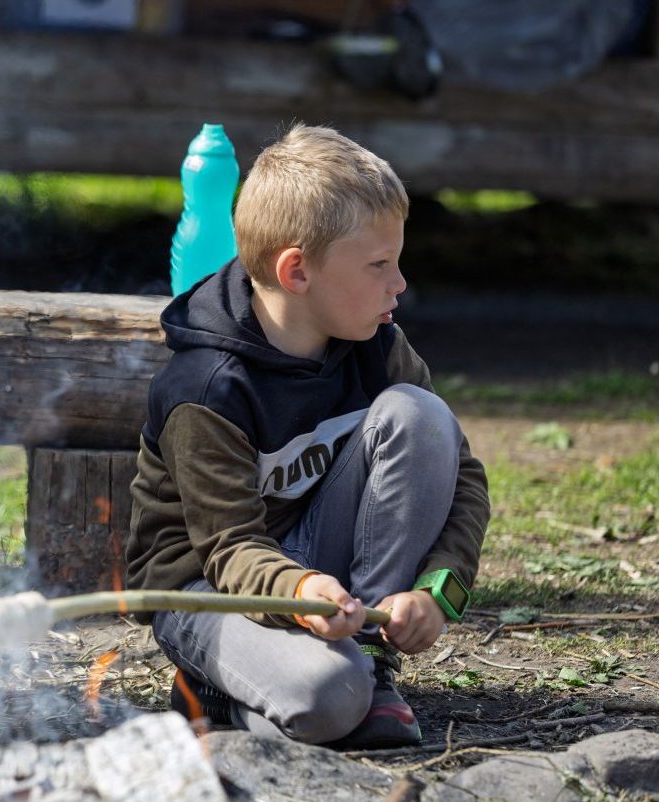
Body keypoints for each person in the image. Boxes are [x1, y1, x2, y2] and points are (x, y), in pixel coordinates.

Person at [126, 124, 490, 748]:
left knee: (422, 416)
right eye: (379, 265)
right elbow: (228, 547)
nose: (399, 283)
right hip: (207, 588)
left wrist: (436, 590)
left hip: (315, 578)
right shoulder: (207, 389)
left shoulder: (378, 348)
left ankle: (370, 664)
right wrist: (298, 591)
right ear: (296, 271)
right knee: (327, 697)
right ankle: (212, 687)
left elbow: (464, 480)